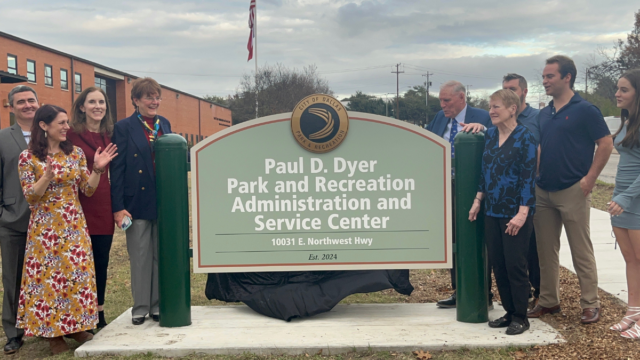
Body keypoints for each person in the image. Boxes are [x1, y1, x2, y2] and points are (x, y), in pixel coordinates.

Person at [16, 105, 117, 354]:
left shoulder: (76, 154)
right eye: (61, 123)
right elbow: (31, 197)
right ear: (43, 126)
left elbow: (88, 189)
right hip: (45, 229)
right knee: (49, 280)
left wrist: (97, 169)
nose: (66, 127)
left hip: (73, 225)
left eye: (67, 123)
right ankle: (53, 333)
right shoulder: (27, 157)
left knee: (75, 276)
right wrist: (47, 176)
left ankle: (75, 326)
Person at [527, 55, 613, 324]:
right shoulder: (544, 113)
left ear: (567, 77)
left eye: (550, 76)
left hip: (573, 190)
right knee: (545, 250)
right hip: (544, 191)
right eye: (543, 77)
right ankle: (549, 301)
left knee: (581, 250)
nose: (545, 81)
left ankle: (590, 303)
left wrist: (590, 178)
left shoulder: (586, 110)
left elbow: (606, 143)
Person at [469, 89, 537, 335]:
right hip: (492, 211)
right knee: (498, 264)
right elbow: (485, 172)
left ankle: (521, 315)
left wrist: (522, 213)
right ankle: (509, 312)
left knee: (515, 265)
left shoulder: (525, 137)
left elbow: (528, 177)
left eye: (497, 106)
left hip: (515, 213)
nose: (492, 111)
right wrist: (478, 200)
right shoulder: (489, 136)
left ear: (512, 109)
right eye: (490, 107)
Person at [425, 80, 493, 308]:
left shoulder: (483, 116)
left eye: (447, 100)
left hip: (475, 188)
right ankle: (459, 290)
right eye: (440, 101)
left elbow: (503, 136)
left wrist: (483, 130)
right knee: (453, 239)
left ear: (462, 98)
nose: (443, 105)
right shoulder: (438, 119)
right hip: (444, 187)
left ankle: (484, 291)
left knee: (476, 237)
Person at [110, 77, 172, 325]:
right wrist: (118, 207)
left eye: (157, 97)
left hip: (163, 201)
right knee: (140, 256)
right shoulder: (123, 127)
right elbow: (117, 169)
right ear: (136, 100)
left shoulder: (164, 124)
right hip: (135, 203)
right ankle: (140, 307)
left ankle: (157, 305)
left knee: (160, 256)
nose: (154, 101)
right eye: (148, 97)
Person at [67, 87, 115, 329]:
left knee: (101, 261)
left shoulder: (111, 136)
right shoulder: (69, 135)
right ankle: (79, 315)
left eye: (102, 102)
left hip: (104, 207)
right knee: (79, 263)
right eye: (92, 102)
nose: (98, 106)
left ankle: (99, 314)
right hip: (79, 207)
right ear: (82, 107)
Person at [0, 86, 39, 354]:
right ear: (11, 107)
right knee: (13, 278)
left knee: (51, 276)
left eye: (31, 100)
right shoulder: (3, 138)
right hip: (13, 220)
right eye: (21, 102)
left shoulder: (53, 134)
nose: (27, 105)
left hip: (50, 222)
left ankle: (53, 326)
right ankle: (14, 332)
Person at [502, 73, 541, 308]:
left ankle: (540, 292)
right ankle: (520, 293)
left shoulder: (537, 118)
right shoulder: (498, 120)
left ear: (524, 91)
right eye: (505, 88)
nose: (509, 92)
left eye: (513, 89)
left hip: (531, 192)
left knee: (533, 246)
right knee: (513, 250)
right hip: (506, 196)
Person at [607, 68, 640, 339]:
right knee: (630, 259)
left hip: (635, 199)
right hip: (620, 199)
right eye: (617, 89)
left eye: (624, 89)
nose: (617, 93)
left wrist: (626, 196)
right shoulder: (627, 121)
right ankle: (633, 311)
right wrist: (618, 196)